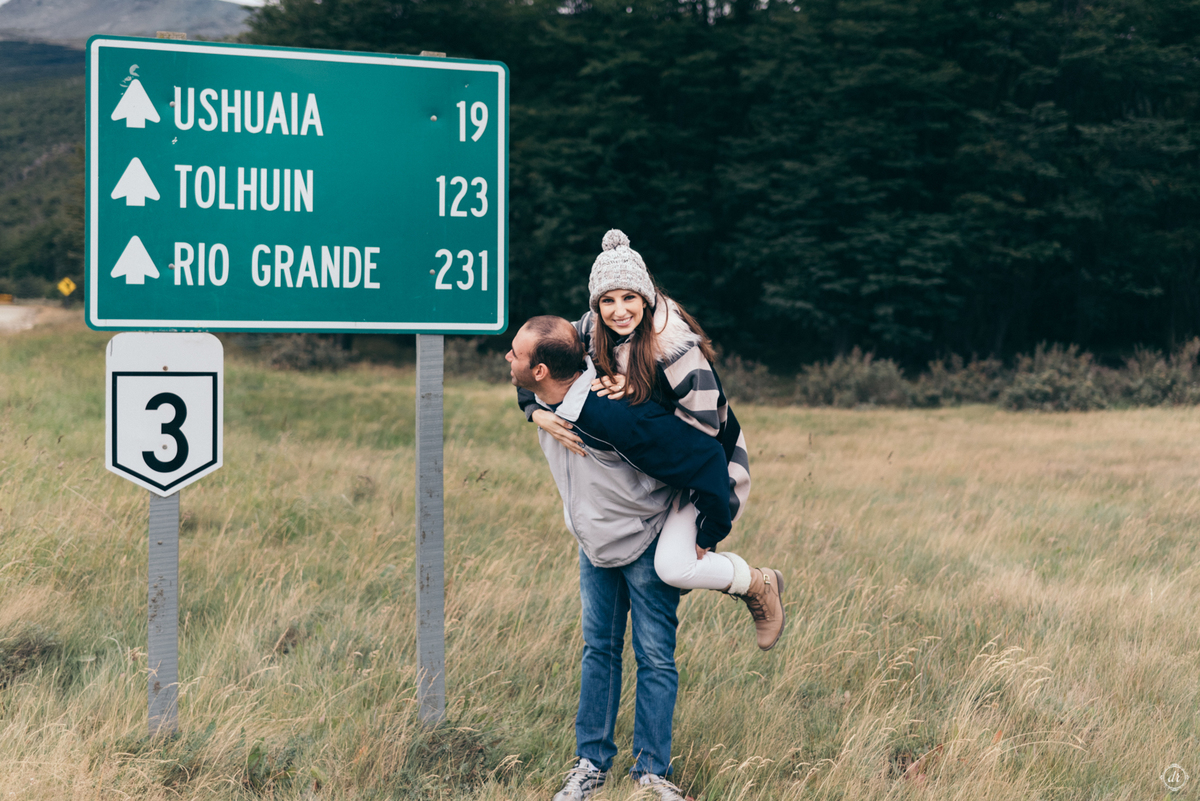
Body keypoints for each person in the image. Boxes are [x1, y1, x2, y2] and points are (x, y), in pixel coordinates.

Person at [507, 315, 743, 801]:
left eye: (515, 354)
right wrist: (534, 409)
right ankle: (591, 765)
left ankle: (652, 774)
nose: (506, 358)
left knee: (654, 657)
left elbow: (705, 458)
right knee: (599, 651)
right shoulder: (548, 396)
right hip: (596, 546)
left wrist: (708, 533)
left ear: (542, 370)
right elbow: (528, 387)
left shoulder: (613, 415)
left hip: (645, 540)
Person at [518, 229, 784, 650]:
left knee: (675, 567)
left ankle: (757, 583)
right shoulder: (590, 328)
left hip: (706, 469)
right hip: (658, 470)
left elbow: (706, 439)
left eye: (629, 298)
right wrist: (536, 412)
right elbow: (536, 356)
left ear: (646, 297)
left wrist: (642, 393)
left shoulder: (675, 350)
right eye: (607, 300)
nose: (619, 311)